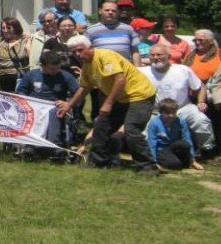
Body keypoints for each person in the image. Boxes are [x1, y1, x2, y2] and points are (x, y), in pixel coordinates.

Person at [56, 35, 158, 174]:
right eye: (74, 52)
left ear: (90, 47)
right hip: (121, 98)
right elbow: (84, 87)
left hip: (140, 95)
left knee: (131, 130)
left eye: (80, 50)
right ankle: (98, 162)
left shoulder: (105, 56)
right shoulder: (87, 66)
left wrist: (108, 103)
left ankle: (148, 166)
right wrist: (69, 105)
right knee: (101, 127)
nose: (77, 54)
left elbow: (120, 80)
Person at [138, 43, 215, 155]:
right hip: (156, 112)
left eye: (159, 54)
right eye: (152, 55)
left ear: (169, 56)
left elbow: (201, 86)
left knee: (201, 121)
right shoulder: (142, 72)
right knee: (145, 135)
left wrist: (201, 102)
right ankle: (154, 156)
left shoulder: (182, 69)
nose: (155, 57)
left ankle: (207, 150)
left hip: (183, 107)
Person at [15, 51, 79, 155]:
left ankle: (54, 145)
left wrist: (67, 103)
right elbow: (21, 91)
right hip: (34, 105)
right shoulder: (32, 75)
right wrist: (26, 102)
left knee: (55, 112)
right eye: (52, 69)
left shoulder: (65, 76)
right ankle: (30, 145)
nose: (56, 71)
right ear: (43, 66)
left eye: (58, 67)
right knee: (31, 112)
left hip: (54, 105)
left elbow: (78, 93)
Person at [147, 99, 204, 171]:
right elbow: (151, 143)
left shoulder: (181, 120)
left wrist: (193, 159)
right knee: (175, 164)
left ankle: (189, 162)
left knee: (185, 144)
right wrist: (153, 162)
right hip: (161, 148)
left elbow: (187, 138)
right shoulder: (154, 123)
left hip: (174, 145)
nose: (171, 115)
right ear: (161, 112)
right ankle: (161, 162)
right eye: (167, 113)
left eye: (173, 113)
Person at [86, 1, 139, 65]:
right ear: (100, 11)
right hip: (101, 69)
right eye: (107, 10)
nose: (110, 12)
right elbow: (86, 52)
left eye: (113, 11)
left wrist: (138, 68)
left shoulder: (128, 29)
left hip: (125, 69)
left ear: (117, 12)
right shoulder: (91, 30)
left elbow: (135, 51)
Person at [0, 17, 26, 93]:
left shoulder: (25, 41)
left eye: (9, 28)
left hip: (18, 78)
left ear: (16, 28)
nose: (5, 30)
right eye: (3, 28)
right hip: (1, 78)